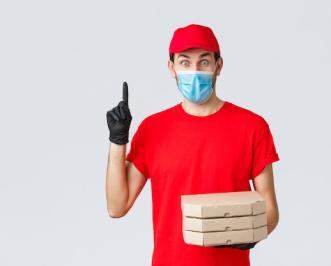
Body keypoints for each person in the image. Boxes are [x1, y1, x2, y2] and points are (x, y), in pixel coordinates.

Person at [105, 24, 280, 266]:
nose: (194, 71)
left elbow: (270, 207)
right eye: (185, 63)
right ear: (172, 68)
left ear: (218, 66)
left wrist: (252, 232)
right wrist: (118, 141)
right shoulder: (153, 128)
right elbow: (117, 206)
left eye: (204, 62)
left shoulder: (252, 126)